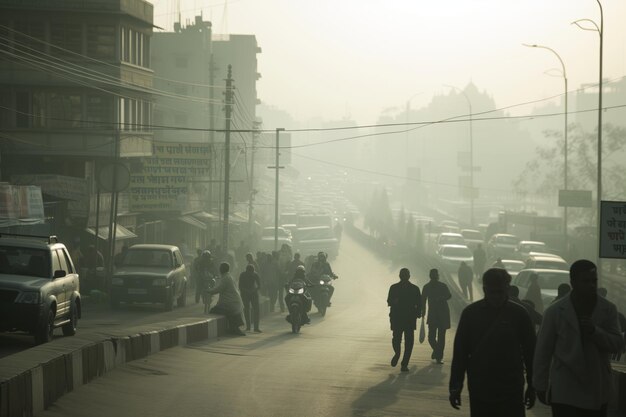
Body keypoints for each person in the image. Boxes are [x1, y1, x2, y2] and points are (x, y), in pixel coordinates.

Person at [533, 260, 625, 417]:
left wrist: (595, 332)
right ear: (573, 282)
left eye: (594, 281)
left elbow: (617, 344)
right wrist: (540, 385)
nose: (591, 285)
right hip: (565, 390)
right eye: (585, 281)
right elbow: (543, 351)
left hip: (596, 388)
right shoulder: (555, 311)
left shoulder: (608, 309)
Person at [449, 268, 536, 417]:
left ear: (507, 289)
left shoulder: (520, 315)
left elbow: (531, 353)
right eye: (493, 292)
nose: (497, 297)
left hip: (511, 387)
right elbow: (460, 353)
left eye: (500, 292)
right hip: (481, 387)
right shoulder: (470, 314)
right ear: (484, 290)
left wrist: (532, 386)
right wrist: (455, 386)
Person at [387, 268, 422, 372]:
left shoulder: (413, 289)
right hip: (402, 318)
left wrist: (418, 313)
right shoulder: (396, 288)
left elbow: (419, 304)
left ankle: (404, 362)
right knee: (400, 340)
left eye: (405, 275)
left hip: (406, 319)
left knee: (405, 341)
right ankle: (398, 355)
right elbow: (389, 301)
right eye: (403, 275)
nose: (404, 277)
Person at [207, 262, 246, 336]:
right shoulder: (229, 277)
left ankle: (232, 328)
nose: (219, 269)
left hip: (230, 304)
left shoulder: (226, 278)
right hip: (234, 303)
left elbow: (219, 289)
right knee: (227, 312)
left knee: (213, 310)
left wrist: (209, 291)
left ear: (222, 269)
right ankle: (233, 328)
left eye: (220, 268)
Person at [422, 268, 451, 364]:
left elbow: (449, 295)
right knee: (431, 337)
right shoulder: (426, 287)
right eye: (433, 275)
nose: (434, 277)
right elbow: (423, 301)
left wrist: (441, 298)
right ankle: (438, 352)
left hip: (442, 314)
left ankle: (439, 357)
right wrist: (423, 312)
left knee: (441, 337)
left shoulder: (442, 286)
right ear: (431, 276)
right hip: (433, 315)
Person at [238, 264, 262, 333]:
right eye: (249, 273)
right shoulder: (242, 275)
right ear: (246, 271)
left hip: (253, 293)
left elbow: (259, 285)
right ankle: (248, 326)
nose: (251, 274)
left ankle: (256, 327)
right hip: (245, 294)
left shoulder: (255, 275)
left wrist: (254, 290)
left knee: (256, 310)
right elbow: (240, 286)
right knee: (246, 309)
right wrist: (247, 291)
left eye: (252, 272)